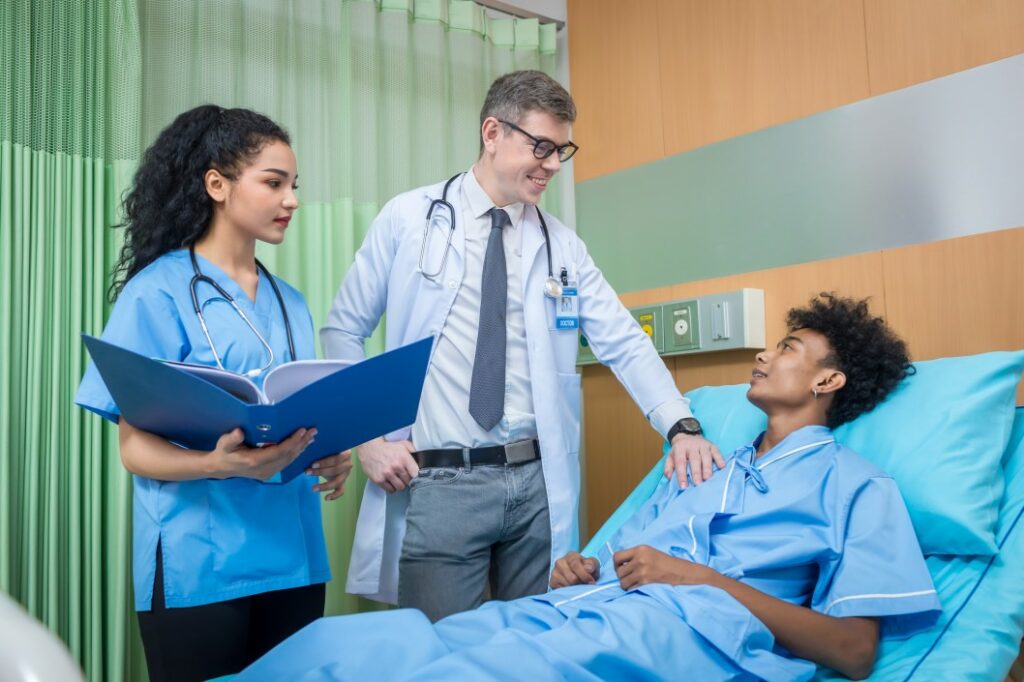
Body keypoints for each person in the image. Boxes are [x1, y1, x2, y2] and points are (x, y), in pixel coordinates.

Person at [235, 293, 941, 681]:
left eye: (788, 348)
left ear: (828, 380)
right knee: (364, 646)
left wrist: (693, 579)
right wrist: (589, 569)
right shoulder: (705, 467)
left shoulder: (856, 488)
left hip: (687, 640)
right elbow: (648, 560)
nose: (764, 352)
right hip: (585, 610)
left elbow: (853, 653)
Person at [321, 70, 724, 621]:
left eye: (562, 150)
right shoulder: (409, 218)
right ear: (492, 132)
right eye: (541, 146)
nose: (553, 165)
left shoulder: (563, 247)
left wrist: (680, 424)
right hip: (441, 481)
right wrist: (367, 439)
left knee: (534, 647)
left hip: (536, 484)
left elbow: (623, 341)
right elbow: (342, 329)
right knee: (443, 655)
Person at [75, 105, 353, 682]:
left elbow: (299, 416)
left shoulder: (291, 302)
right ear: (217, 185)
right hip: (200, 563)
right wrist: (215, 463)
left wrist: (330, 453)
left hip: (294, 557)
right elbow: (135, 450)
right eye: (273, 183)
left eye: (293, 186)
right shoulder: (157, 293)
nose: (292, 201)